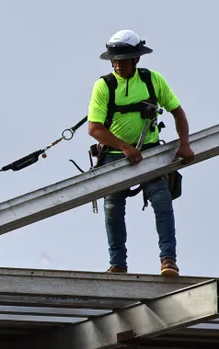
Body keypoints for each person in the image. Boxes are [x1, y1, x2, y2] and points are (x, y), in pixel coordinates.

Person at [86, 30, 193, 277]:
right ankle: (118, 264)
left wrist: (184, 144)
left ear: (136, 59)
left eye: (122, 59)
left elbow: (177, 112)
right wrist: (124, 147)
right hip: (114, 155)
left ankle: (168, 260)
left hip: (150, 152)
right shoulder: (104, 86)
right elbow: (95, 128)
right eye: (114, 60)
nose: (117, 64)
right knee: (113, 207)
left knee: (162, 201)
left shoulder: (152, 80)